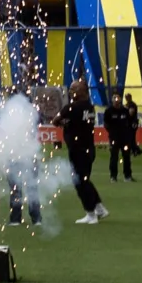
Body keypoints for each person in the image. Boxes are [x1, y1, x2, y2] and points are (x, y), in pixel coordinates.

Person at [58, 81, 106, 223]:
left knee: (80, 181)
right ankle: (99, 208)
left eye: (74, 89)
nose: (71, 92)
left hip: (77, 150)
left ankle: (91, 213)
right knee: (85, 180)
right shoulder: (89, 107)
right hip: (88, 148)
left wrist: (64, 123)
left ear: (81, 91)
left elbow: (56, 120)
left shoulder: (72, 108)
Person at [103, 93, 138, 181]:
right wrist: (111, 132)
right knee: (114, 157)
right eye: (114, 97)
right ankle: (113, 176)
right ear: (112, 100)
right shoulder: (109, 111)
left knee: (126, 157)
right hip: (114, 138)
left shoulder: (125, 110)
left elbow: (130, 121)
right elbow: (106, 123)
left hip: (124, 138)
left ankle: (128, 176)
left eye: (117, 97)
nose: (116, 99)